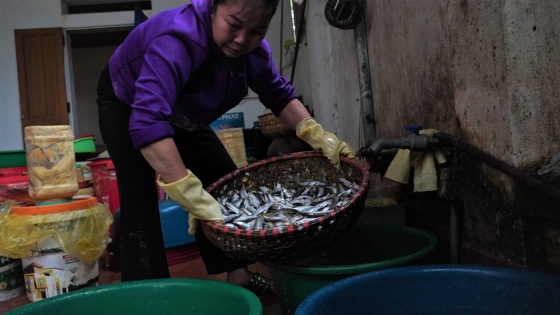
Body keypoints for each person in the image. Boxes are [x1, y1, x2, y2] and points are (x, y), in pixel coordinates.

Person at [96, 0, 355, 295]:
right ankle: (147, 297)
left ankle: (239, 275)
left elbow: (278, 94)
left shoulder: (253, 52)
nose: (242, 39)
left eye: (257, 30)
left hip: (182, 110)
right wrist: (188, 190)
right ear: (212, 9)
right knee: (139, 198)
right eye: (233, 25)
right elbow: (147, 120)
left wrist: (318, 135)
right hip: (127, 103)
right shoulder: (177, 39)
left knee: (225, 182)